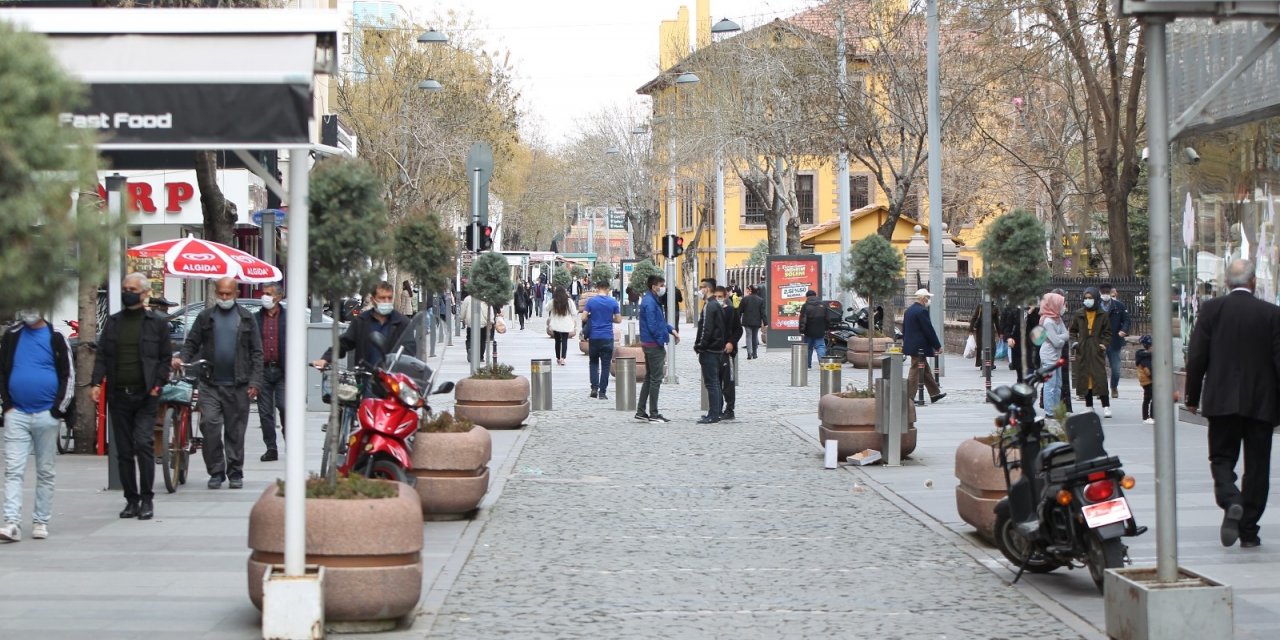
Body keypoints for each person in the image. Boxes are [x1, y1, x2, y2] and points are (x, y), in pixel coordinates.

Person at [1184, 259, 1280, 548]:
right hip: (1261, 403)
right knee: (1258, 467)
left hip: (1222, 400)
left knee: (1222, 458)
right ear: (1253, 283)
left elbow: (1197, 355)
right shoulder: (1272, 314)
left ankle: (1230, 498)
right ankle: (1249, 530)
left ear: (1227, 283)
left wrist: (1191, 395)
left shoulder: (1212, 310)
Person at [91, 273, 173, 519]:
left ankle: (147, 499)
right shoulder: (114, 322)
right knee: (124, 451)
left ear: (144, 293)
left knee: (143, 444)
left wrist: (157, 385)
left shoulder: (157, 323)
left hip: (146, 395)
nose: (128, 292)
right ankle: (131, 499)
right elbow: (103, 355)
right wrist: (95, 383)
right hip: (118, 396)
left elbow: (164, 358)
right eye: (125, 288)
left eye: (132, 289)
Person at [177, 277, 263, 490]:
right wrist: (182, 358)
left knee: (235, 431)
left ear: (235, 293)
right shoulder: (206, 317)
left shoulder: (246, 318)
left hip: (239, 384)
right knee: (210, 426)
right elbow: (192, 343)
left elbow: (257, 352)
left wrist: (255, 381)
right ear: (216, 293)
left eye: (228, 294)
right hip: (210, 383)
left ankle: (235, 472)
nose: (224, 297)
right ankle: (216, 471)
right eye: (221, 293)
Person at [0, 310, 74, 541]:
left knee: (45, 470)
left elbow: (68, 374)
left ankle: (40, 521)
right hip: (17, 413)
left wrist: (57, 409)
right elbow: (2, 371)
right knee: (13, 469)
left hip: (46, 414)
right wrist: (8, 405)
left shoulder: (56, 336)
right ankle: (11, 522)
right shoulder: (11, 335)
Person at [313, 281, 416, 371]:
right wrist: (325, 359)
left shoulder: (402, 322)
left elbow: (410, 350)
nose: (386, 301)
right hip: (367, 379)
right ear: (373, 300)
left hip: (393, 381)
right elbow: (344, 343)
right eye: (382, 298)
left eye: (389, 298)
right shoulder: (361, 321)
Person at [636, 275, 679, 423]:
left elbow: (660, 322)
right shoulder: (650, 302)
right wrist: (661, 341)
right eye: (661, 285)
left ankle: (641, 411)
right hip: (653, 344)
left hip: (650, 343)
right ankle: (653, 413)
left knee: (649, 378)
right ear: (654, 286)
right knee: (656, 379)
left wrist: (671, 330)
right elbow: (653, 325)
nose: (663, 288)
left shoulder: (652, 300)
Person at [255, 283, 287, 462]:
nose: (265, 297)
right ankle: (271, 448)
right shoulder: (256, 318)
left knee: (285, 407)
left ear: (279, 297)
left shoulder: (288, 318)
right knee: (265, 412)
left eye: (269, 294)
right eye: (264, 293)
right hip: (263, 371)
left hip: (282, 371)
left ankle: (290, 443)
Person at [1068, 287, 1112, 417]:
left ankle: (1106, 406)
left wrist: (1103, 345)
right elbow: (1072, 331)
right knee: (1085, 378)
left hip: (1096, 349)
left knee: (1100, 377)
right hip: (1083, 349)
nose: (1087, 301)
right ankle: (1089, 406)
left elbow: (1108, 332)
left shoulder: (1102, 314)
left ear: (1095, 299)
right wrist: (1075, 343)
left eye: (1090, 298)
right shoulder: (1079, 313)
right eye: (1085, 298)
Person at [693, 278, 727, 424]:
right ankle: (715, 412)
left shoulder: (709, 306)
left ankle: (713, 414)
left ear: (707, 289)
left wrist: (700, 346)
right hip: (717, 348)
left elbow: (706, 329)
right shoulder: (717, 305)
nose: (700, 290)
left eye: (702, 287)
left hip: (710, 350)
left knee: (711, 383)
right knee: (715, 383)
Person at [903, 289, 946, 404]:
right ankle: (909, 396)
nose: (928, 300)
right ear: (922, 298)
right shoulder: (922, 311)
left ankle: (934, 394)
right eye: (927, 297)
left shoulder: (909, 311)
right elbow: (929, 330)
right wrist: (937, 346)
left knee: (925, 370)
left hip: (912, 345)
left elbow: (905, 329)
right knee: (915, 370)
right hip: (919, 347)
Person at [582, 280, 621, 400]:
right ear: (608, 289)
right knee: (605, 366)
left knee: (593, 363)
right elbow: (619, 320)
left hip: (594, 337)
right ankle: (602, 393)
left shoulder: (591, 301)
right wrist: (609, 319)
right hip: (607, 337)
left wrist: (592, 317)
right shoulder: (613, 302)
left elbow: (583, 317)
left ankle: (594, 388)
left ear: (597, 288)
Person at [1098, 283, 1131, 398]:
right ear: (1100, 293)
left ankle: (1114, 387)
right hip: (1100, 340)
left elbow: (1127, 319)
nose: (1105, 295)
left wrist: (1124, 330)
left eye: (1107, 293)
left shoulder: (1118, 306)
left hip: (1114, 340)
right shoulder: (1096, 306)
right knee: (1099, 367)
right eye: (1103, 293)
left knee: (1116, 368)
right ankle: (1101, 389)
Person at [1038, 292, 1069, 415]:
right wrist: (1061, 338)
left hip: (1057, 356)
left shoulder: (1058, 319)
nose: (1064, 307)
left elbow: (1066, 335)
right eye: (1062, 304)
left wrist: (1059, 338)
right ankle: (1049, 411)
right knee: (1050, 384)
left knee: (1058, 384)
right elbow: (1057, 342)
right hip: (1048, 356)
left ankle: (1056, 410)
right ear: (1054, 305)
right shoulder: (1048, 322)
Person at [716, 286, 742, 420]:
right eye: (716, 297)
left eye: (720, 297)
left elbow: (738, 330)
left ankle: (730, 409)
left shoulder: (731, 311)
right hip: (713, 351)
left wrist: (731, 342)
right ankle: (716, 408)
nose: (718, 299)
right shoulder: (709, 309)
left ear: (726, 296)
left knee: (728, 382)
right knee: (715, 382)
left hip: (726, 351)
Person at [1051, 288, 1074, 413]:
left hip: (1062, 350)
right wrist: (1065, 335)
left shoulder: (1063, 315)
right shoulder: (1049, 318)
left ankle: (1064, 405)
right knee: (1052, 381)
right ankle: (1053, 407)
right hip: (1052, 352)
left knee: (1062, 379)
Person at [456, 293, 494, 365]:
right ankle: (480, 356)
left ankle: (470, 348)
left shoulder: (468, 298)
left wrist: (461, 317)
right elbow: (490, 310)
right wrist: (491, 321)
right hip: (483, 322)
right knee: (482, 339)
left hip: (471, 322)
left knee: (470, 338)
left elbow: (463, 310)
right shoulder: (486, 298)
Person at [546, 286, 578, 366]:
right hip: (566, 324)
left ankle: (558, 358)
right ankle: (563, 358)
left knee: (557, 341)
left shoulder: (554, 301)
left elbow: (546, 308)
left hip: (556, 324)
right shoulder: (569, 301)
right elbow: (574, 312)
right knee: (564, 341)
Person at [796, 290, 828, 368]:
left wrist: (801, 330)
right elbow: (827, 318)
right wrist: (826, 328)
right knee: (820, 346)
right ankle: (822, 364)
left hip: (808, 331)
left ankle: (808, 365)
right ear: (815, 295)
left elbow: (803, 319)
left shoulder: (806, 306)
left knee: (808, 348)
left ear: (807, 297)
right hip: (820, 331)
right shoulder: (823, 305)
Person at [737, 285, 766, 359]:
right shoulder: (761, 300)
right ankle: (755, 354)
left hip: (747, 321)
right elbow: (763, 312)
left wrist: (737, 320)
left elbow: (740, 310)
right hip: (756, 321)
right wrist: (765, 322)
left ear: (751, 290)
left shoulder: (745, 299)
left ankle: (749, 353)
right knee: (755, 336)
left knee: (748, 336)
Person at [1135, 335, 1153, 425]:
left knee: (1148, 398)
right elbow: (1148, 370)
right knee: (1150, 398)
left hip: (1146, 381)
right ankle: (1148, 417)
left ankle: (1148, 417)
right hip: (1148, 381)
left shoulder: (1142, 355)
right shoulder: (1145, 357)